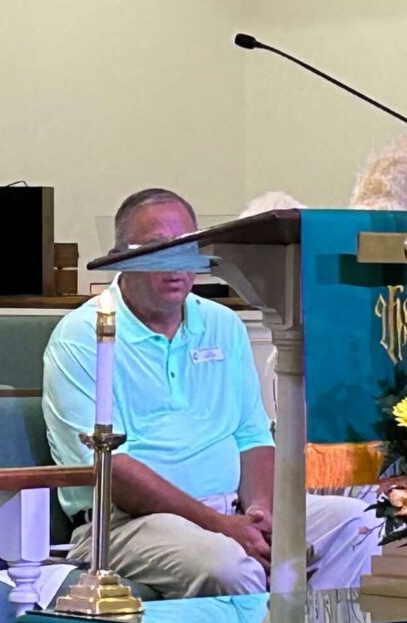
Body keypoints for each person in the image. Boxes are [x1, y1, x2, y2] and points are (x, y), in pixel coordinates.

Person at [43, 188, 381, 597]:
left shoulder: (223, 325)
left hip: (232, 509)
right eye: (156, 249)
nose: (175, 265)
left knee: (361, 523)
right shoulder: (82, 336)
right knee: (231, 567)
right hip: (127, 525)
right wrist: (219, 526)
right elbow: (112, 469)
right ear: (121, 257)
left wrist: (260, 512)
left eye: (185, 248)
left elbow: (251, 436)